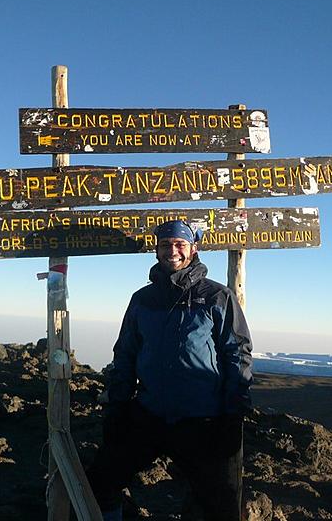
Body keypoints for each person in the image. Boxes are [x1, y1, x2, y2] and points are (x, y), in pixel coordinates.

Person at [87, 219, 253, 521]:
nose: (172, 250)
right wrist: (118, 403)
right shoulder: (142, 299)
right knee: (101, 480)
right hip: (149, 413)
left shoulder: (217, 297)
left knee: (219, 504)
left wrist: (233, 412)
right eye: (165, 244)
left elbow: (237, 353)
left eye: (179, 244)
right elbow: (126, 352)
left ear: (194, 248)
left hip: (202, 419)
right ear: (156, 249)